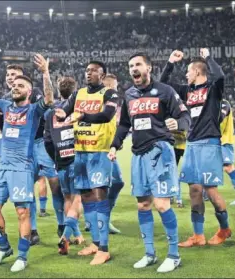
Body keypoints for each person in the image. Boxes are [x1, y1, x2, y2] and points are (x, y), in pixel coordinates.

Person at [109, 53, 191, 273]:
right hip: (138, 154)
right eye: (130, 66)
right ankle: (149, 253)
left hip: (160, 152)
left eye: (137, 65)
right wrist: (114, 145)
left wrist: (178, 123)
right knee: (143, 204)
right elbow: (124, 124)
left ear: (149, 68)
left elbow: (185, 116)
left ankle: (173, 255)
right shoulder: (129, 94)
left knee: (162, 204)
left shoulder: (165, 91)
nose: (133, 69)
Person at [0, 52, 54, 272]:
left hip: (22, 167)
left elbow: (49, 99)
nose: (15, 87)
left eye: (20, 85)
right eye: (14, 85)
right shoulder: (5, 106)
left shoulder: (34, 110)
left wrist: (45, 73)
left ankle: (22, 255)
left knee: (23, 212)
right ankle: (4, 248)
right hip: (3, 167)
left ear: (29, 91)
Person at [161, 49, 232, 247]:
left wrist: (208, 57)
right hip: (191, 144)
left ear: (198, 72)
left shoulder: (213, 88)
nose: (186, 74)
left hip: (209, 144)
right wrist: (170, 62)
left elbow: (221, 75)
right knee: (194, 190)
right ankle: (198, 235)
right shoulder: (187, 91)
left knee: (210, 190)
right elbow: (164, 84)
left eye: (188, 71)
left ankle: (224, 228)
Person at [55, 61, 121, 265]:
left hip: (99, 152)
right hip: (80, 153)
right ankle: (94, 242)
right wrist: (59, 114)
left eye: (93, 71)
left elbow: (106, 115)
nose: (89, 73)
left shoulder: (110, 94)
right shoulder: (77, 94)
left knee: (99, 196)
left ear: (102, 75)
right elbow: (63, 111)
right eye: (86, 71)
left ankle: (104, 248)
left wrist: (82, 115)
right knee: (86, 199)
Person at [0, 64, 63, 244]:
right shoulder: (7, 100)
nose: (10, 78)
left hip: (40, 144)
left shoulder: (35, 93)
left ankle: (61, 224)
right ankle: (33, 229)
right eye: (8, 75)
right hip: (22, 150)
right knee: (27, 189)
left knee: (55, 184)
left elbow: (47, 110)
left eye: (14, 75)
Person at [44, 76, 85, 255]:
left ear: (59, 91)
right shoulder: (79, 110)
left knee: (68, 198)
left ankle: (75, 235)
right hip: (77, 158)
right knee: (78, 199)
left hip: (60, 160)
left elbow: (47, 141)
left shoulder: (50, 113)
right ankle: (66, 235)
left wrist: (56, 159)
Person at [103, 74, 125, 234]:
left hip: (108, 149)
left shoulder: (112, 103)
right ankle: (100, 220)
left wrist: (116, 143)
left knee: (117, 182)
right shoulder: (99, 100)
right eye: (114, 86)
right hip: (99, 149)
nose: (116, 90)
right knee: (100, 187)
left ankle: (101, 218)